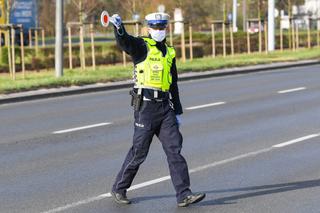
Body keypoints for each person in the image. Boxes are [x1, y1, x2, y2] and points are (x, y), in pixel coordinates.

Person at [109, 12, 205, 207]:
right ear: (149, 28)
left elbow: (173, 83)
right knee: (139, 152)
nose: (159, 31)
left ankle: (184, 194)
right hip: (145, 108)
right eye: (155, 27)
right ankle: (119, 188)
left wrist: (177, 110)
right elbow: (125, 42)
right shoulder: (141, 46)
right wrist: (118, 28)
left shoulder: (169, 52)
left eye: (162, 27)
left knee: (174, 149)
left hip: (165, 108)